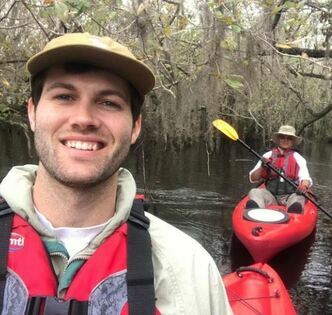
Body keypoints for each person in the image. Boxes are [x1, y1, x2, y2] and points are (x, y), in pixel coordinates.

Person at [0, 33, 232, 314]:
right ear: (33, 113)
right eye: (64, 96)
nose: (84, 118)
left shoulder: (189, 267)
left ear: (135, 126)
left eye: (108, 102)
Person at [247, 125, 312, 213]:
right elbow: (253, 178)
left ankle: (293, 214)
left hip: (290, 196)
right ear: (278, 139)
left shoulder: (299, 158)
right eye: (282, 137)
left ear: (292, 141)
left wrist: (303, 186)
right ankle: (255, 213)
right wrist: (262, 166)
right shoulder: (267, 156)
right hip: (270, 196)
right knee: (254, 192)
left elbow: (305, 178)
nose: (285, 140)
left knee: (299, 197)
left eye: (289, 138)